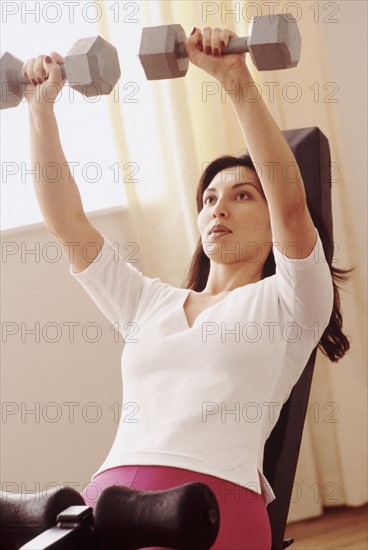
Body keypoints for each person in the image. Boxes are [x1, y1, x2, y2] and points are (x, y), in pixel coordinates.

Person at [23, 26, 350, 550]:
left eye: (243, 196)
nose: (218, 207)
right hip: (105, 503)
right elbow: (69, 225)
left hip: (209, 509)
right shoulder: (147, 303)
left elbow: (291, 201)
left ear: (275, 225)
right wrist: (40, 109)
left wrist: (233, 77)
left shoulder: (290, 301)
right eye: (209, 199)